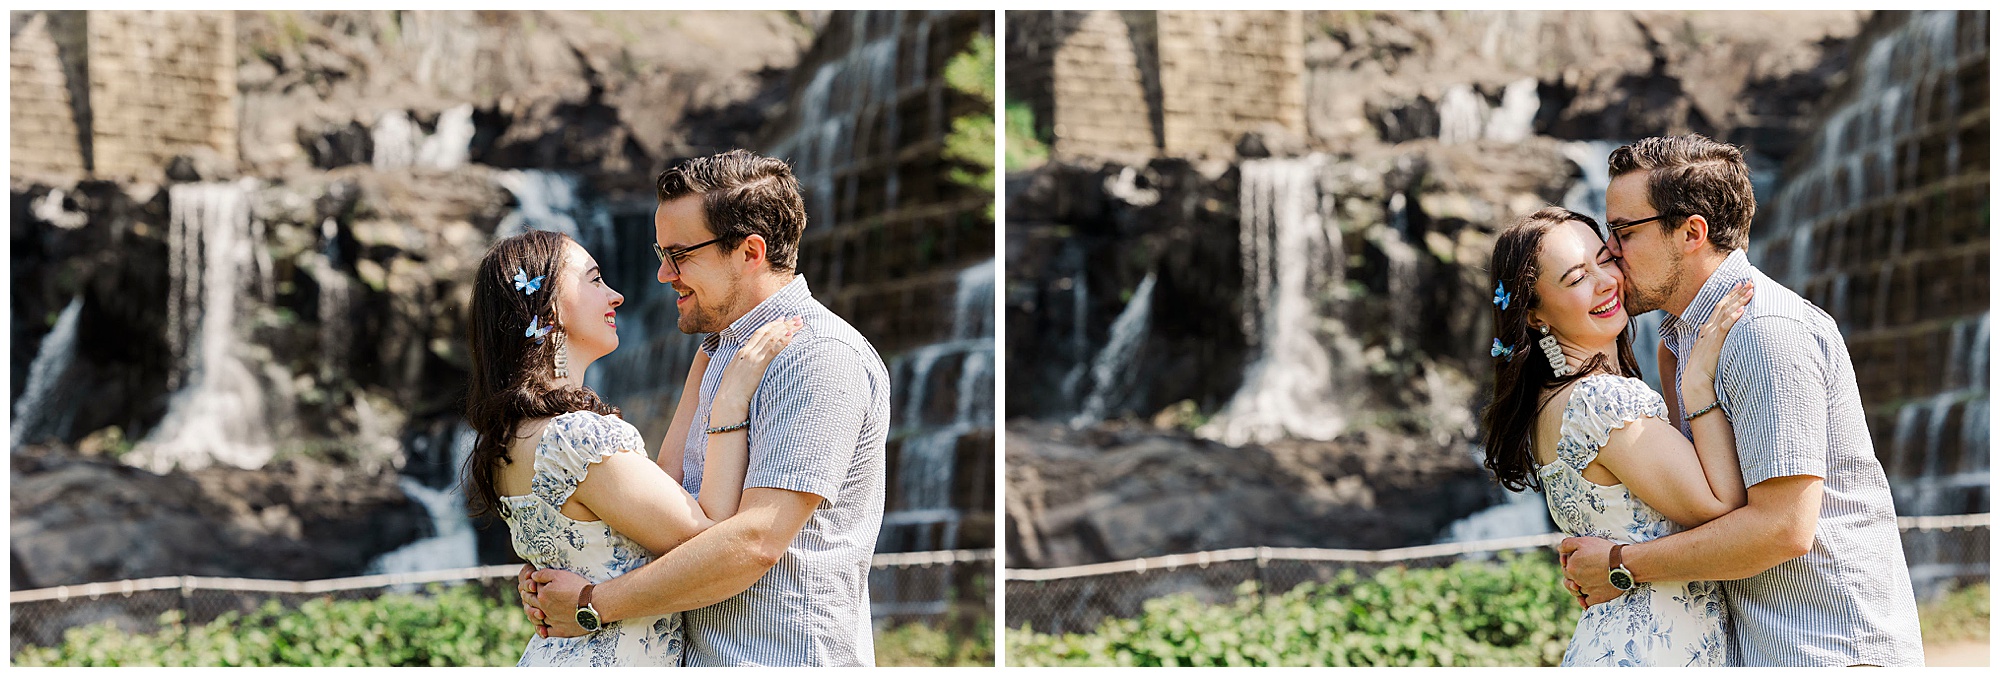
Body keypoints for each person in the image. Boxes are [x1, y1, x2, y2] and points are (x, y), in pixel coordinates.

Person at [1559, 135, 1924, 666]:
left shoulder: (1762, 332)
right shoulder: (1686, 338)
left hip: (1829, 651)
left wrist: (1621, 564)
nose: (1609, 252)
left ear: (1690, 232)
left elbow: (1782, 529)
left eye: (1621, 232)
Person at [519, 150, 893, 666]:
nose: (661, 274)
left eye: (680, 254)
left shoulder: (817, 356)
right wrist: (563, 554)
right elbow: (668, 509)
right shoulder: (719, 354)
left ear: (750, 251)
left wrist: (591, 605)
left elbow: (757, 539)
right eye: (660, 252)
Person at [464, 228, 800, 666]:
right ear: (547, 303)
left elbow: (657, 497)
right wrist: (730, 401)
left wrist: (705, 361)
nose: (617, 295)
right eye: (596, 279)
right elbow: (707, 535)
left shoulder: (511, 436)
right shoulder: (578, 439)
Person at [1482, 206, 1752, 666]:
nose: (1606, 282)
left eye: (1605, 260)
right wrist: (1698, 383)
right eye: (1575, 278)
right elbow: (1720, 505)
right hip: (1653, 651)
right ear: (1534, 315)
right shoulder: (1601, 401)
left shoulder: (1553, 399)